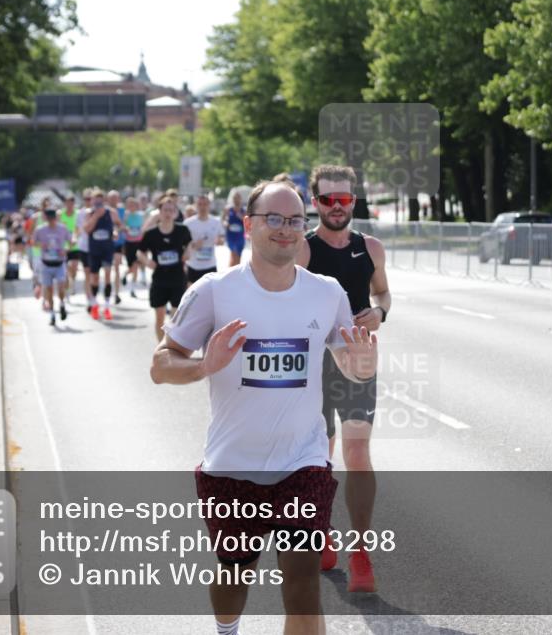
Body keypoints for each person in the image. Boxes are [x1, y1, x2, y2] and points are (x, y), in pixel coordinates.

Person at [150, 180, 377, 635]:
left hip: (304, 462)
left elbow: (349, 366)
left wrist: (363, 367)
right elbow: (160, 365)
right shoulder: (214, 290)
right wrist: (202, 366)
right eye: (273, 218)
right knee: (234, 578)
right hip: (232, 465)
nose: (286, 229)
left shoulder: (327, 292)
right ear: (248, 224)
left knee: (303, 589)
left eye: (295, 220)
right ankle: (226, 628)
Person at [295, 165, 391, 593]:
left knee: (357, 454)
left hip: (359, 361)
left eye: (345, 200)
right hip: (314, 365)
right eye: (329, 200)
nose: (337, 207)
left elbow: (383, 292)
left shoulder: (370, 247)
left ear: (354, 201)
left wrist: (380, 312)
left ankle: (361, 553)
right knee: (320, 457)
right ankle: (324, 531)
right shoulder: (302, 249)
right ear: (315, 203)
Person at [136, 198, 191, 341]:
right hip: (159, 279)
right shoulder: (151, 233)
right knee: (159, 318)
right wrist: (147, 261)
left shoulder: (182, 230)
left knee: (175, 318)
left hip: (177, 278)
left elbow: (189, 243)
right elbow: (139, 252)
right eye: (165, 210)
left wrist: (188, 252)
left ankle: (171, 348)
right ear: (159, 212)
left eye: (171, 210)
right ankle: (161, 348)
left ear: (175, 213)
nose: (168, 213)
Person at [82, 188, 124, 320]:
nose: (98, 203)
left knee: (107, 275)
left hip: (107, 249)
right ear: (92, 201)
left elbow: (119, 225)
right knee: (94, 278)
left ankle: (106, 306)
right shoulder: (89, 213)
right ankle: (94, 304)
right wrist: (96, 216)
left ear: (104, 201)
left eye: (100, 201)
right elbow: (87, 229)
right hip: (94, 250)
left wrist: (116, 231)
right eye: (95, 201)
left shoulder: (111, 212)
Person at [33, 209, 71, 326]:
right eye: (49, 219)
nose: (51, 222)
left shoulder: (62, 228)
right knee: (48, 289)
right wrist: (41, 245)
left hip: (59, 263)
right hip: (46, 263)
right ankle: (52, 314)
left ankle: (62, 304)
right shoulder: (40, 230)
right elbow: (33, 242)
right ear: (46, 219)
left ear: (55, 218)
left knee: (61, 287)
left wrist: (65, 250)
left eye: (52, 219)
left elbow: (71, 241)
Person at [183, 194, 225, 287]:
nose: (202, 207)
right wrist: (194, 245)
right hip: (193, 265)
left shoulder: (216, 222)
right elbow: (182, 244)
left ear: (209, 205)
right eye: (200, 204)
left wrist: (220, 241)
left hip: (210, 265)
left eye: (205, 204)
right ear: (196, 206)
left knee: (210, 295)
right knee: (191, 296)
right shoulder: (188, 223)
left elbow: (222, 236)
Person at [121, 195, 146, 298]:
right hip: (129, 243)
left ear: (136, 206)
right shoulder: (125, 215)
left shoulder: (141, 215)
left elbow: (144, 228)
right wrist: (126, 228)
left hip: (138, 243)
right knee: (131, 267)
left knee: (136, 266)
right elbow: (122, 227)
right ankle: (125, 275)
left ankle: (132, 288)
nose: (132, 207)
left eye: (133, 205)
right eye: (129, 205)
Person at [59, 195, 82, 298]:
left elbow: (79, 229)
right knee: (66, 268)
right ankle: (67, 287)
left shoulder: (78, 214)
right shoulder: (60, 214)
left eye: (71, 203)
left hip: (75, 245)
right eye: (67, 203)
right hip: (64, 246)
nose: (69, 205)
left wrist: (74, 238)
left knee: (74, 267)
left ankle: (73, 282)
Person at [108, 190, 126, 304]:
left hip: (118, 242)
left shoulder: (122, 210)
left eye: (116, 198)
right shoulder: (104, 210)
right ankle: (108, 291)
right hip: (106, 243)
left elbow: (124, 224)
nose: (114, 200)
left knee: (117, 266)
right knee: (108, 269)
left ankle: (117, 293)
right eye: (112, 198)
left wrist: (118, 229)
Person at [223, 187, 248, 267]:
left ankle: (235, 273)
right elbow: (223, 220)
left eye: (238, 198)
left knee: (239, 256)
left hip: (240, 236)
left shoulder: (244, 210)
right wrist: (226, 224)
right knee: (233, 254)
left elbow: (247, 222)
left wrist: (241, 217)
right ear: (232, 199)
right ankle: (230, 272)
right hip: (231, 235)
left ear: (240, 199)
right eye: (235, 198)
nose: (236, 200)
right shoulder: (228, 209)